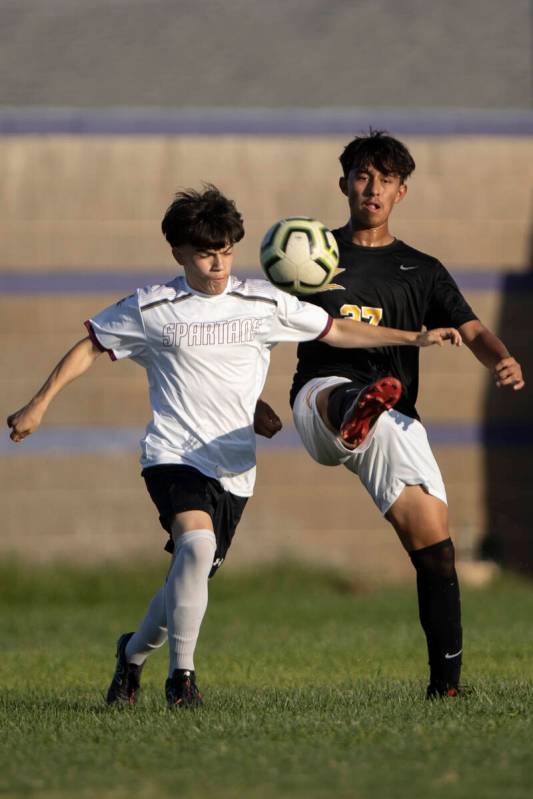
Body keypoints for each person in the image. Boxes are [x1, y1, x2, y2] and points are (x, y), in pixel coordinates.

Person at [7, 185, 461, 708]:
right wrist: (39, 405)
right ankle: (183, 681)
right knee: (196, 550)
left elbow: (335, 332)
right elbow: (91, 344)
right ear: (178, 253)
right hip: (173, 455)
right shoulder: (153, 307)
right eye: (205, 253)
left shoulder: (262, 301)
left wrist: (414, 338)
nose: (218, 264)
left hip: (235, 469)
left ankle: (131, 656)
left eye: (226, 250)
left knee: (188, 573)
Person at [289, 131, 525, 698]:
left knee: (436, 548)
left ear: (402, 192)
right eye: (362, 177)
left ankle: (445, 687)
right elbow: (258, 331)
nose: (372, 189)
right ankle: (352, 409)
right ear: (344, 182)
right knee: (339, 388)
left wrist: (503, 358)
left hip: (393, 416)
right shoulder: (309, 258)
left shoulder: (421, 270)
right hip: (317, 401)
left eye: (385, 180)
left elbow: (472, 329)